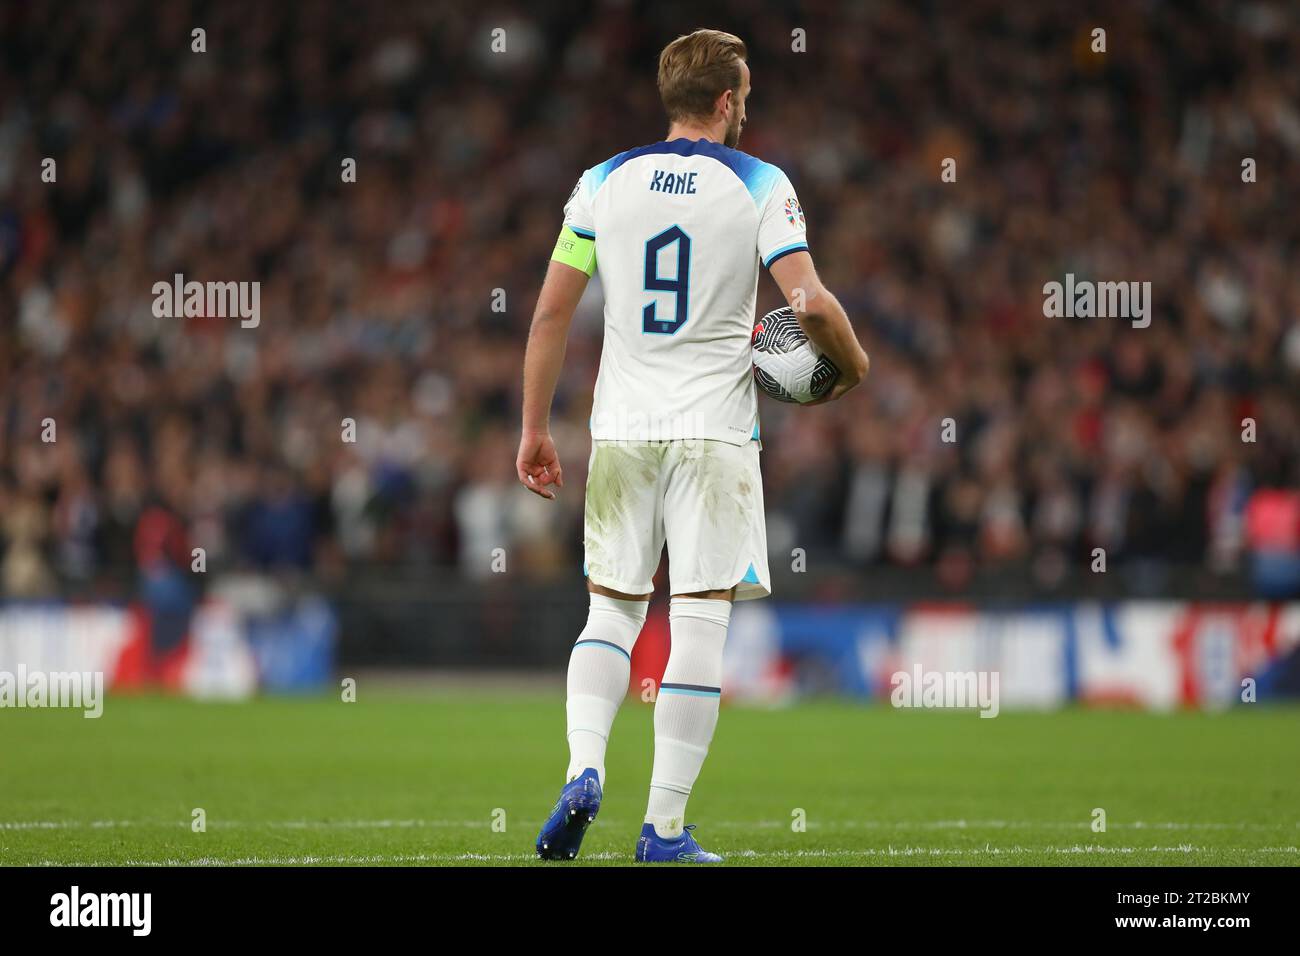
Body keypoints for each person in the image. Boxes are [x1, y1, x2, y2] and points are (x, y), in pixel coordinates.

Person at [516, 28, 869, 863]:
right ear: (724, 101)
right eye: (742, 96)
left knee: (611, 609)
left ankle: (584, 768)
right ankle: (664, 830)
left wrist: (534, 427)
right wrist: (853, 366)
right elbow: (810, 304)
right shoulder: (759, 184)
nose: (746, 108)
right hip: (713, 433)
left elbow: (550, 315)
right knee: (699, 618)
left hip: (621, 429)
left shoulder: (602, 182)